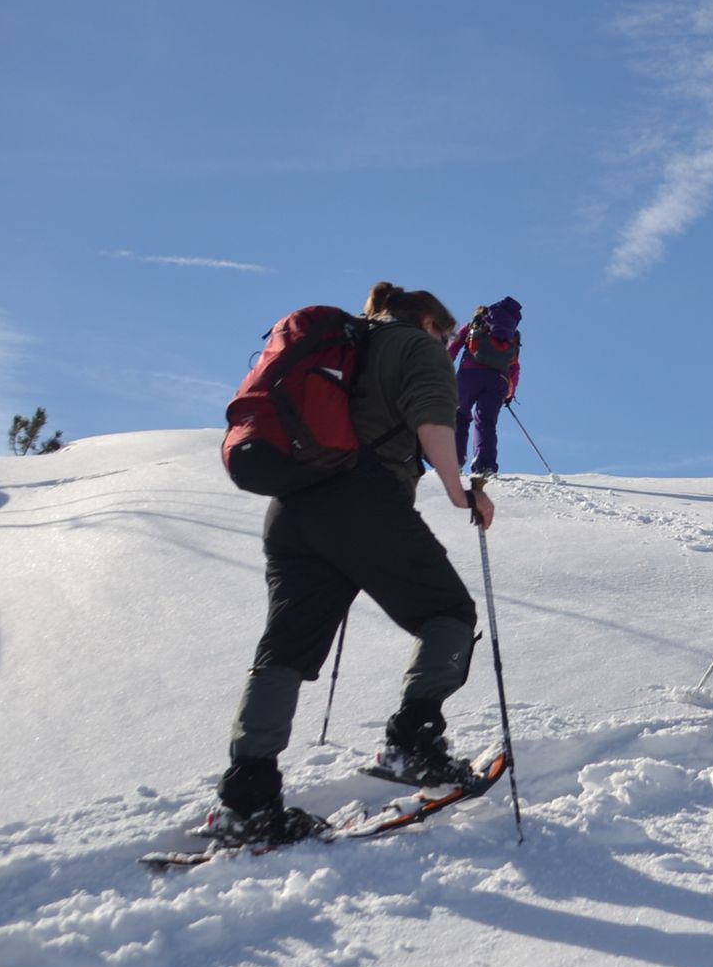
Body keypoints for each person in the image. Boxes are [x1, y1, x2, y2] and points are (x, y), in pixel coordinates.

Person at [208, 283, 498, 844]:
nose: (450, 349)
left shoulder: (350, 343)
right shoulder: (416, 347)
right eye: (450, 337)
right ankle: (413, 743)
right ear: (430, 323)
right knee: (448, 614)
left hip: (293, 507)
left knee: (285, 647)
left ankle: (247, 798)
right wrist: (460, 492)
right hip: (361, 500)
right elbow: (435, 423)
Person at [449, 297, 522, 477]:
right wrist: (509, 394)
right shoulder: (511, 335)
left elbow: (453, 347)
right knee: (486, 423)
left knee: (460, 416)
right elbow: (514, 367)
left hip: (469, 376)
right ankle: (485, 465)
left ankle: (454, 461)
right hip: (497, 381)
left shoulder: (473, 326)